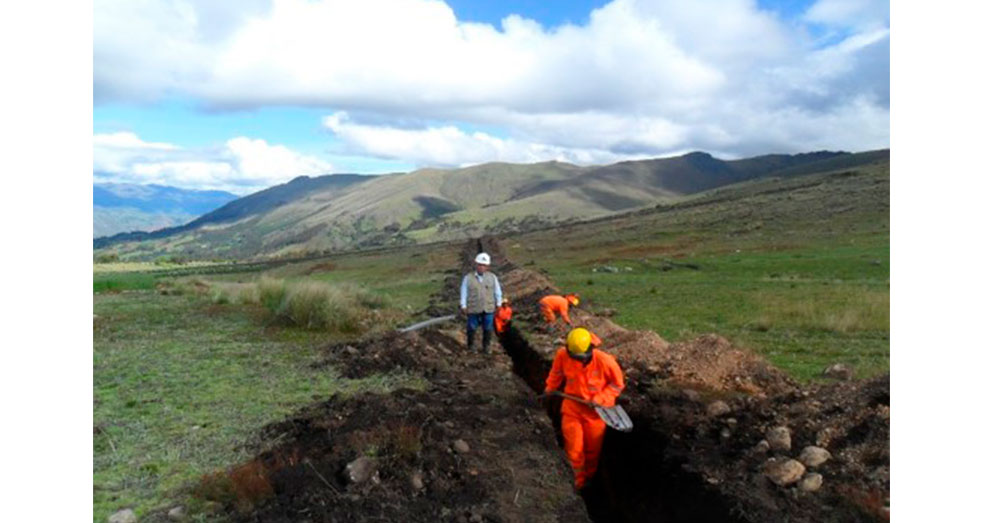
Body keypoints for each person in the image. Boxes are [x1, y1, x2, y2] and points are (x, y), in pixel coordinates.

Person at [544, 327, 625, 490]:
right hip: (572, 409)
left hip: (596, 414)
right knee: (574, 451)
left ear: (590, 349)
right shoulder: (562, 355)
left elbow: (617, 386)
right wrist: (549, 389)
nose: (578, 361)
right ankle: (577, 484)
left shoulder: (605, 362)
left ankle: (589, 479)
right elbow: (556, 374)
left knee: (592, 451)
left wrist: (600, 399)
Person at [459, 252, 503, 353]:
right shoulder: (468, 278)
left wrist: (499, 303)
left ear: (487, 266)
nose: (481, 267)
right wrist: (463, 305)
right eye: (480, 264)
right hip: (473, 308)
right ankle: (471, 346)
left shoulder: (492, 277)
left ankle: (486, 347)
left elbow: (497, 291)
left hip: (488, 308)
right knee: (471, 327)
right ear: (476, 265)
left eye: (484, 265)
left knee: (488, 328)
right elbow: (464, 292)